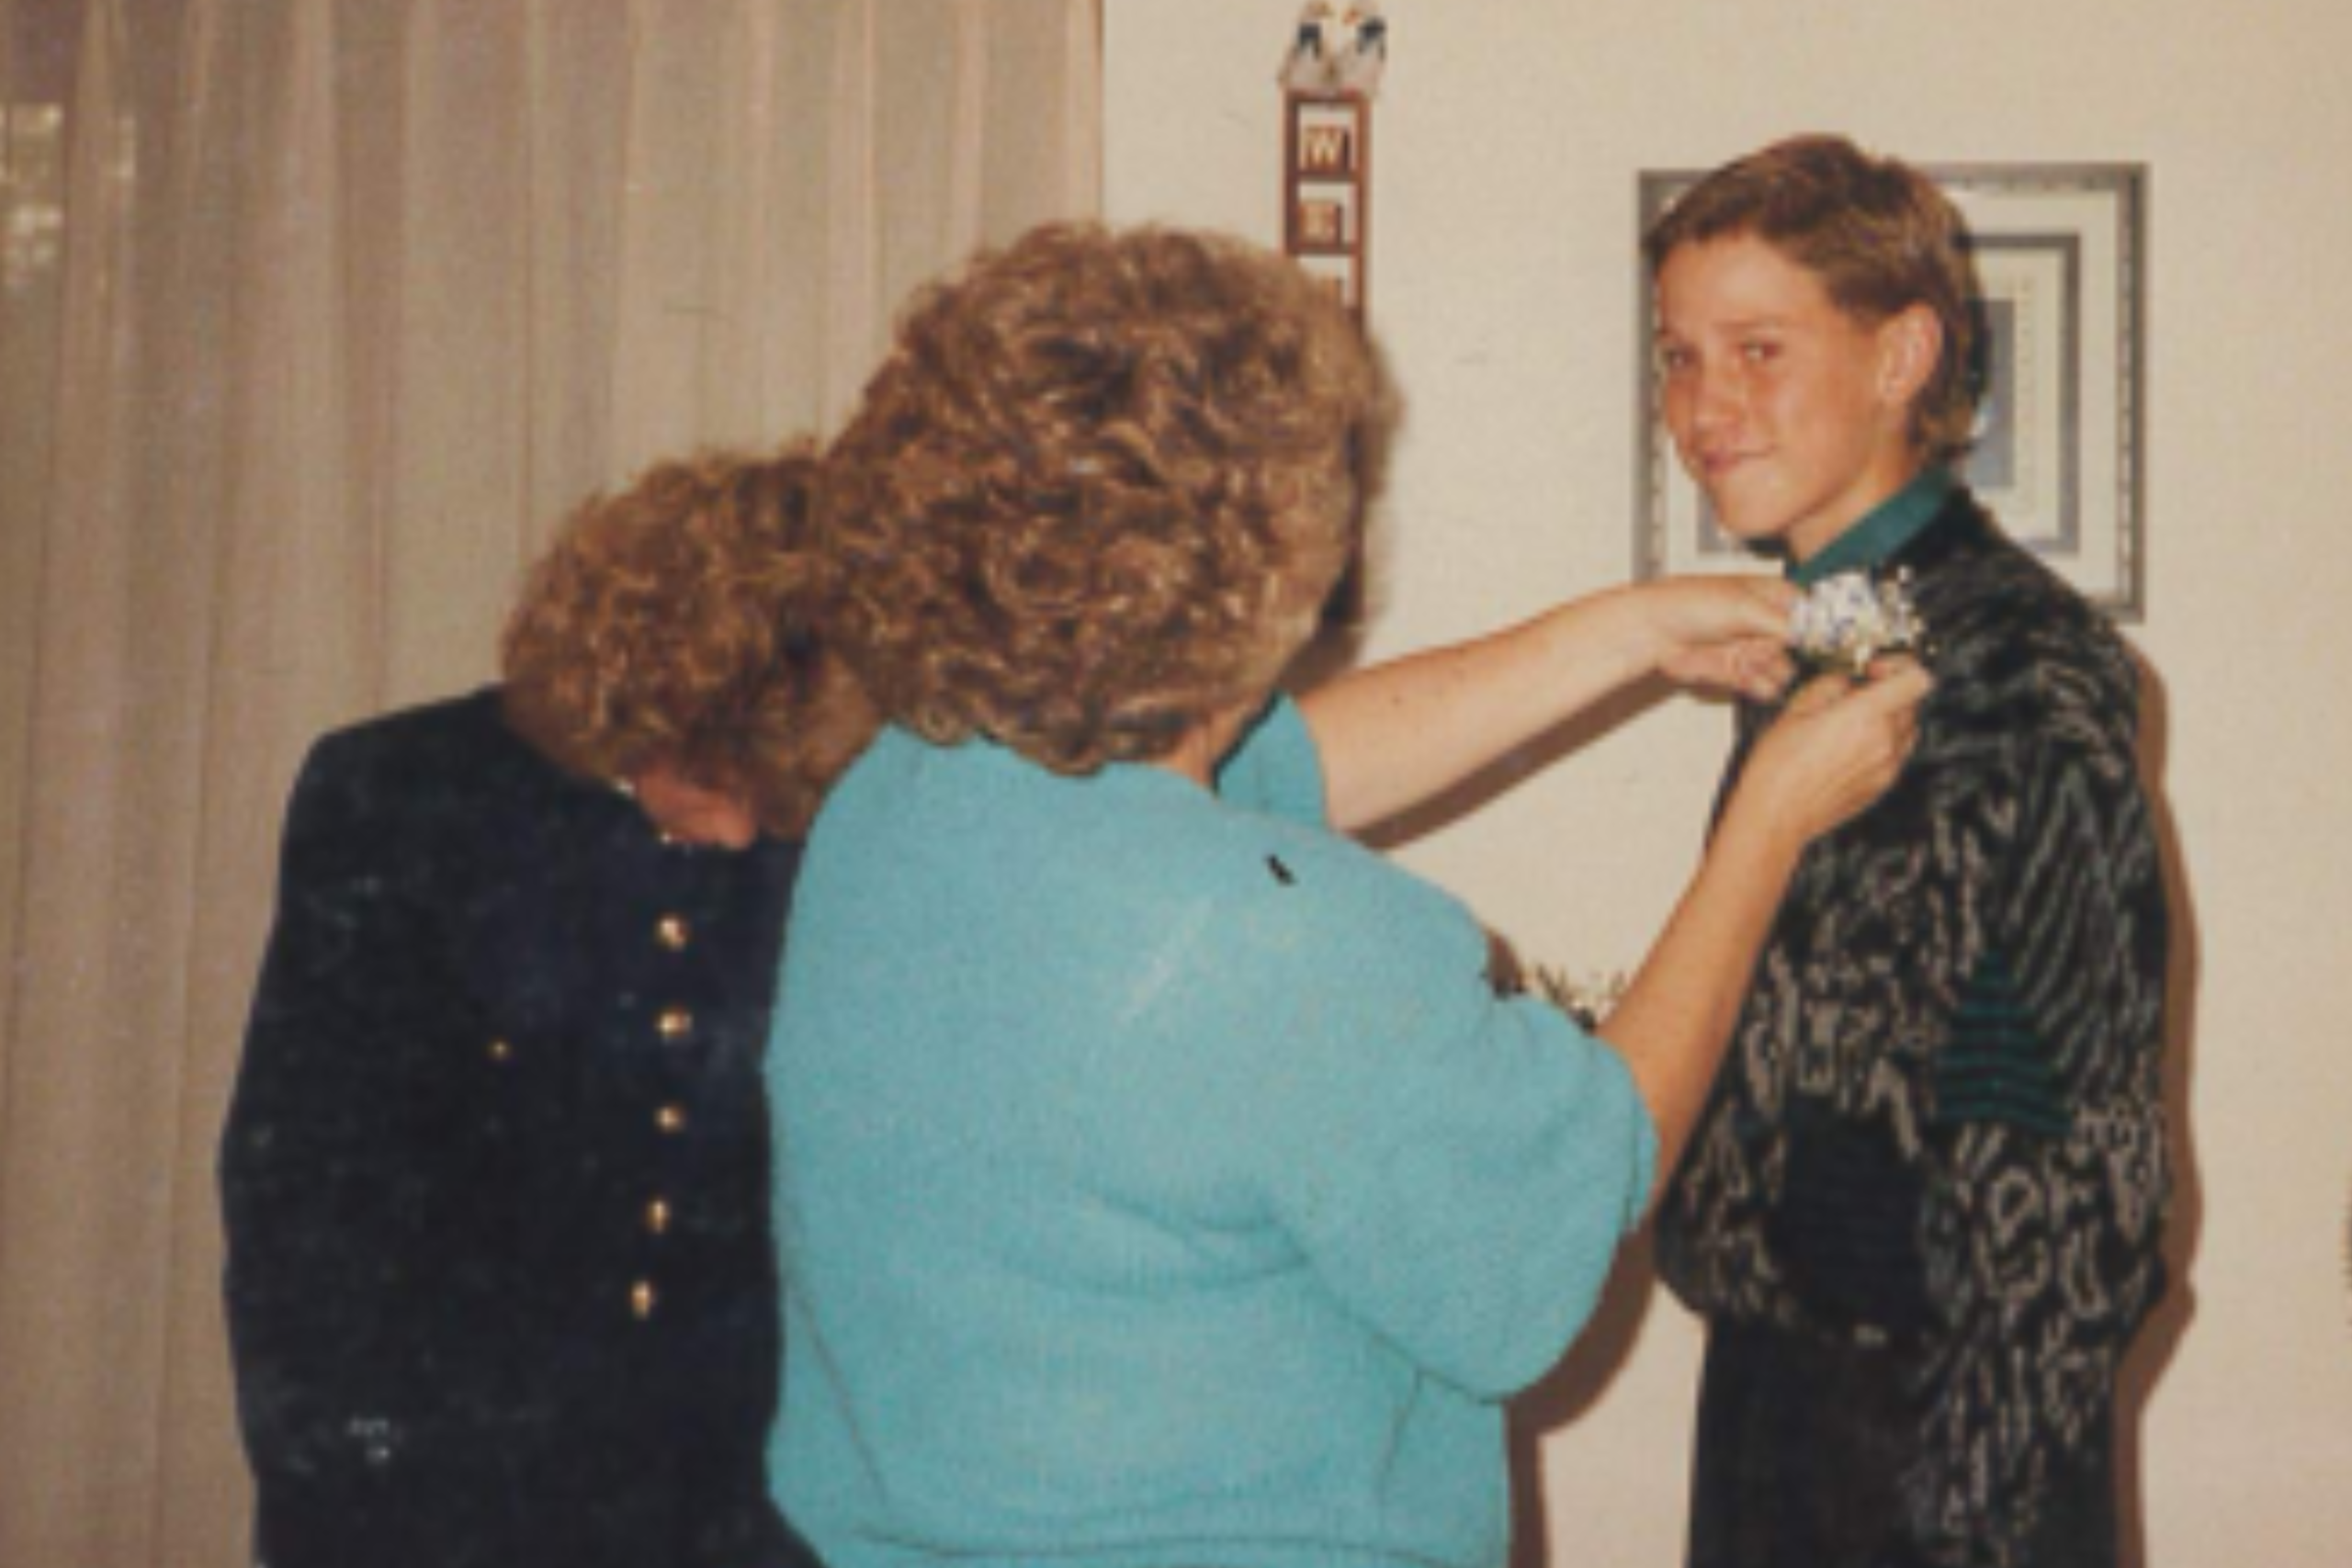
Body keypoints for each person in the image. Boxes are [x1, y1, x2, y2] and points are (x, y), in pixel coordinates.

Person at [761, 220, 1930, 1568]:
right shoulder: (1284, 944)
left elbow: (1285, 764)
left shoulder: (903, 802)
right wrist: (1766, 830)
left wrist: (1629, 631)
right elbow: (1552, 1232)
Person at [1645, 134, 2172, 1568]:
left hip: (1928, 1454)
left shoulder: (2019, 665)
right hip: (1774, 1404)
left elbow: (2071, 1177)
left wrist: (1967, 1517)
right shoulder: (1819, 635)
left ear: (1901, 355)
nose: (1702, 406)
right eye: (1680, 357)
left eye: (1757, 349)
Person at [219, 446, 872, 1568]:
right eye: (715, 780)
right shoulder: (401, 794)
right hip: (438, 1505)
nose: (740, 836)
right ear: (633, 695)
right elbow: (303, 1205)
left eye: (778, 800)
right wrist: (357, 1490)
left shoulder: (844, 853)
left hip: (732, 1518)